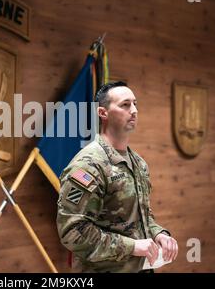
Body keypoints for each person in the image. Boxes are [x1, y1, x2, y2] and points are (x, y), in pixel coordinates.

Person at [56, 81, 178, 273]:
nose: (134, 110)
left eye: (135, 103)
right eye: (125, 104)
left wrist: (158, 234)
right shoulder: (88, 165)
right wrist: (133, 247)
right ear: (103, 113)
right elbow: (72, 231)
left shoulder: (138, 163)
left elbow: (141, 216)